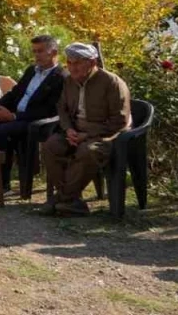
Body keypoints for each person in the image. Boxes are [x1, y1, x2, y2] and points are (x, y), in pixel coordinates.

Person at [0, 34, 66, 196]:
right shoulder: (32, 70)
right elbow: (14, 93)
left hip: (34, 121)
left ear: (53, 53)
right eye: (34, 51)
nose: (36, 55)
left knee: (2, 131)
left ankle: (2, 183)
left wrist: (13, 117)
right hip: (13, 114)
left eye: (40, 51)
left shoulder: (61, 77)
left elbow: (49, 110)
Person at [39, 43, 131, 216]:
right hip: (75, 132)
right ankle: (71, 201)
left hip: (105, 135)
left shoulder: (112, 82)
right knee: (50, 146)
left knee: (87, 151)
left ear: (92, 63)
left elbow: (120, 121)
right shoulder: (69, 81)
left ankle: (63, 199)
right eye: (69, 63)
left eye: (78, 63)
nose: (72, 67)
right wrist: (68, 129)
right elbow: (62, 109)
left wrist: (87, 135)